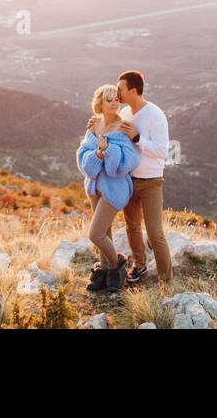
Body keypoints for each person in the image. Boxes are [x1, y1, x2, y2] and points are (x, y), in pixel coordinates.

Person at [91, 70, 172, 284]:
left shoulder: (155, 115)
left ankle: (166, 280)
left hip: (151, 182)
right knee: (132, 226)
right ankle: (139, 265)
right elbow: (109, 126)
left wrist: (137, 138)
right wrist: (96, 122)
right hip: (128, 181)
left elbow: (163, 151)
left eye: (121, 89)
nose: (118, 94)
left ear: (133, 90)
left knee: (155, 234)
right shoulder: (125, 113)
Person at [75, 84, 139, 292]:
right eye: (109, 99)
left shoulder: (123, 128)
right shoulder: (94, 125)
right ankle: (103, 271)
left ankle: (116, 265)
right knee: (105, 232)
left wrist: (109, 150)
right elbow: (83, 156)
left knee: (95, 234)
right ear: (100, 103)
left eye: (116, 99)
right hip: (94, 185)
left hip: (115, 188)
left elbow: (128, 163)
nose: (114, 103)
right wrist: (98, 155)